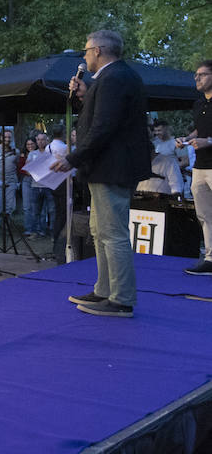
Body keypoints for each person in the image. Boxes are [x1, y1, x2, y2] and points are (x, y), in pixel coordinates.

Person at [52, 30, 151, 317]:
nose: (84, 56)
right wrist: (85, 95)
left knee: (112, 233)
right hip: (106, 167)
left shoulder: (114, 78)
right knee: (100, 231)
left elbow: (104, 127)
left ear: (98, 51)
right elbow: (105, 118)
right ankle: (105, 289)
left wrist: (73, 158)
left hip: (112, 167)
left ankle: (121, 298)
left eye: (85, 51)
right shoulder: (113, 78)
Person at [184, 62, 212, 275]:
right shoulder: (198, 103)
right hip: (200, 166)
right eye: (196, 75)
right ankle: (210, 258)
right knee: (204, 214)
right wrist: (187, 138)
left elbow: (206, 136)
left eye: (202, 74)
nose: (197, 78)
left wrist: (208, 141)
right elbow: (199, 130)